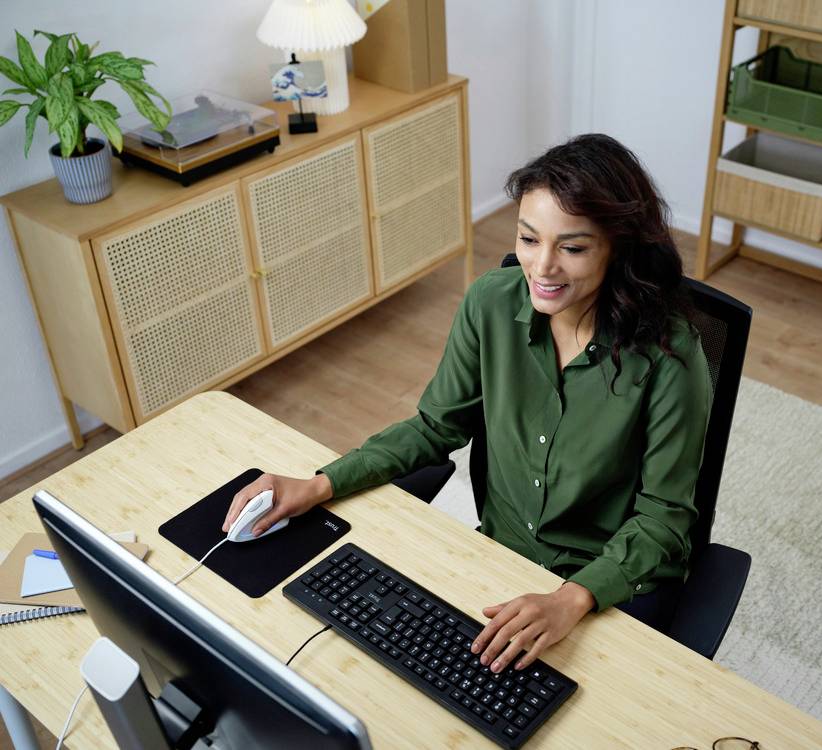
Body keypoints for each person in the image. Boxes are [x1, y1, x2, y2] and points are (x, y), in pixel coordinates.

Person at [223, 133, 711, 675]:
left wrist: (571, 599)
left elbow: (664, 520)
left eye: (571, 248)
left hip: (608, 587)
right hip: (495, 563)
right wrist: (317, 484)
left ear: (618, 248)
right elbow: (435, 428)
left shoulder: (672, 356)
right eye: (529, 239)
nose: (542, 267)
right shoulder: (490, 304)